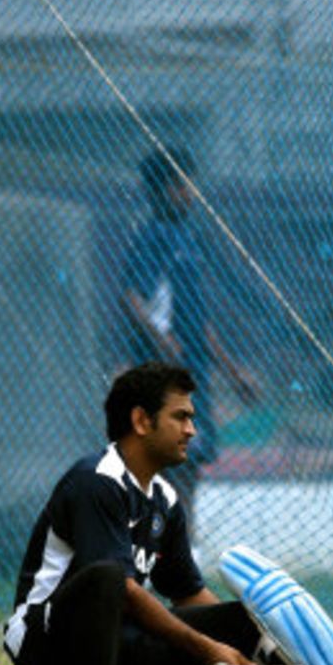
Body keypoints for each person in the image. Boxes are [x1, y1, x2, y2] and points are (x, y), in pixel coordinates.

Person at [2, 361, 260, 665]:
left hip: (114, 646)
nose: (192, 430)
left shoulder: (165, 500)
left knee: (246, 619)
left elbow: (188, 592)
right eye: (180, 417)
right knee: (108, 578)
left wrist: (239, 646)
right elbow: (118, 588)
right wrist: (206, 648)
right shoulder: (95, 481)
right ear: (141, 421)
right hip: (44, 643)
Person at [106, 148, 254, 522]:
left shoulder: (189, 237)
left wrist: (233, 372)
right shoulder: (151, 237)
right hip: (162, 372)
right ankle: (155, 541)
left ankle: (186, 542)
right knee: (163, 463)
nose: (191, 193)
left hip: (193, 369)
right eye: (184, 185)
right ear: (165, 189)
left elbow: (198, 320)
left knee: (190, 461)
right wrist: (161, 340)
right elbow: (132, 297)